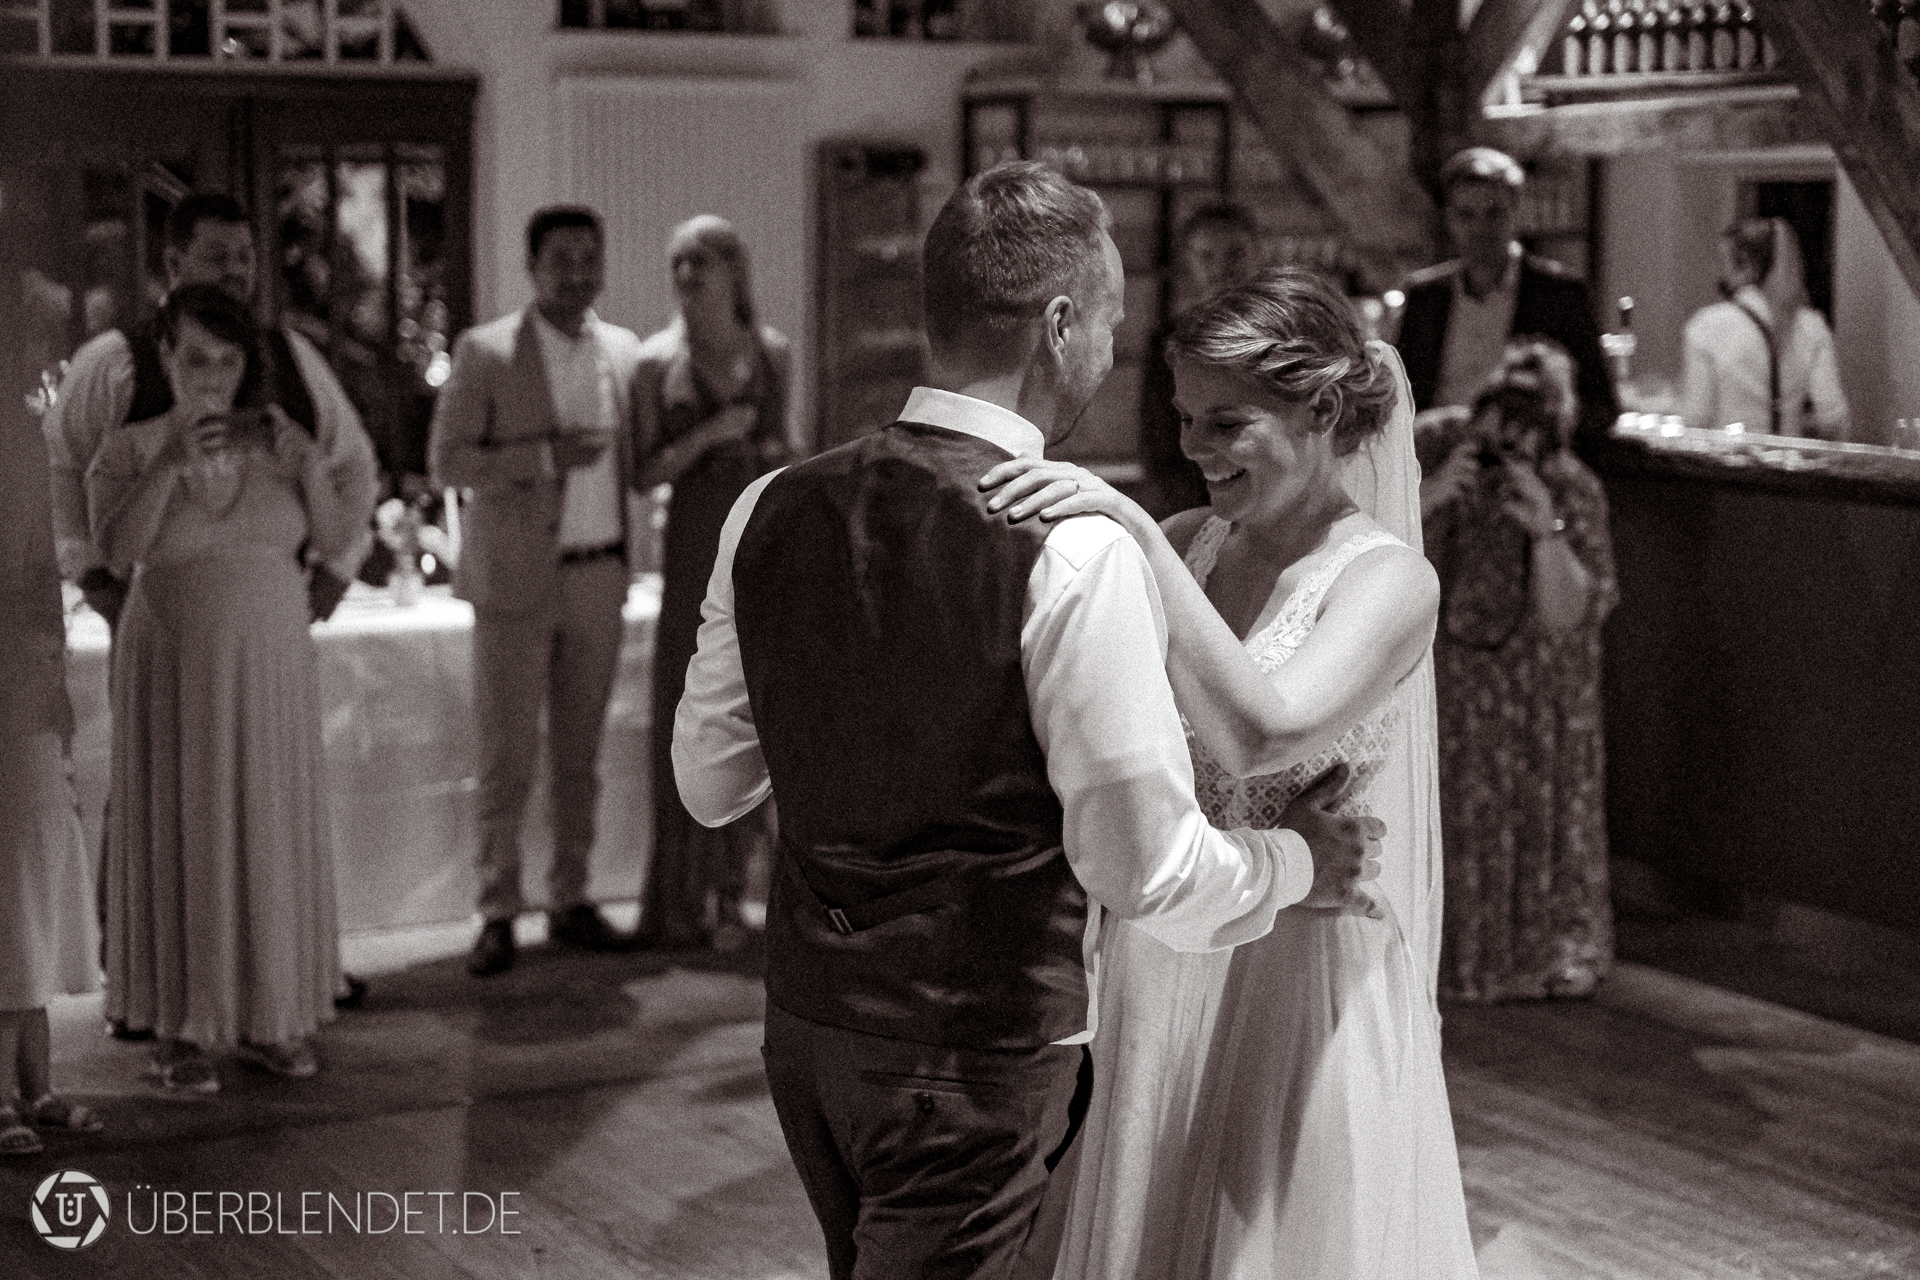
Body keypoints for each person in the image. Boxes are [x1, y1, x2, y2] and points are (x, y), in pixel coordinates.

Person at [672, 163, 1382, 1280]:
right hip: (977, 1046)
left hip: (808, 1024)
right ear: (1058, 325)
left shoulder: (769, 504)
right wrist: (1297, 862)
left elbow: (711, 784)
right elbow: (1145, 873)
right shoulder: (1074, 549)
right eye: (1107, 320)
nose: (1109, 349)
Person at [982, 267, 1479, 1279]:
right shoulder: (1184, 545)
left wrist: (1128, 530)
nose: (1194, 448)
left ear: (1323, 412)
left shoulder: (1389, 580)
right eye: (1184, 419)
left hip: (1303, 974)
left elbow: (1264, 732)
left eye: (1226, 422)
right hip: (1172, 945)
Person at [88, 285, 362, 1091]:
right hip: (173, 656)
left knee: (267, 819)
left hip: (271, 656)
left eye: (228, 360)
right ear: (165, 357)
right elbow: (116, 550)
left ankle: (271, 1014)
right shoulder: (129, 446)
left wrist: (307, 465)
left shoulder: (278, 441)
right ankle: (178, 1027)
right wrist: (170, 461)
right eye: (195, 359)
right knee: (183, 822)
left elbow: (338, 538)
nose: (212, 377)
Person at [428, 205, 646, 978]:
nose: (578, 274)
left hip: (599, 573)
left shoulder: (624, 351)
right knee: (507, 756)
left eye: (590, 258)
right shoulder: (486, 351)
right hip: (515, 581)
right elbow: (447, 462)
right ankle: (497, 909)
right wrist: (546, 458)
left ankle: (571, 896)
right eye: (562, 260)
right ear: (532, 267)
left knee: (581, 756)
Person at [42, 192, 379, 631]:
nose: (236, 270)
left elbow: (355, 467)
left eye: (245, 256)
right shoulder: (112, 362)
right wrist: (95, 580)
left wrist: (335, 573)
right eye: (219, 257)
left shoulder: (291, 354)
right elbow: (60, 469)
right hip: (158, 617)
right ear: (174, 264)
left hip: (272, 618)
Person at [1418, 339, 1618, 1002]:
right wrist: (1430, 496)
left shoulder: (1571, 489)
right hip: (1455, 691)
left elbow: (1568, 614)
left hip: (1538, 701)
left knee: (1538, 819)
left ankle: (1536, 954)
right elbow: (1363, 556)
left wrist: (1545, 527)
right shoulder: (1434, 457)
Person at [633, 214, 791, 951]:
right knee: (690, 708)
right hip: (693, 547)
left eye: (702, 260)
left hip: (759, 544)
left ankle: (736, 891)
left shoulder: (773, 353)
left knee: (753, 710)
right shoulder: (654, 362)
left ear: (735, 270)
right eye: (679, 262)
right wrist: (708, 436)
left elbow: (787, 449)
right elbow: (642, 472)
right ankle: (681, 898)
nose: (688, 275)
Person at [2, 307, 104, 1154]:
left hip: (25, 672)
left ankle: (35, 1081)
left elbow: (41, 564)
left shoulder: (24, 434)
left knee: (31, 863)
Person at [1395, 147, 1619, 450]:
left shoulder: (1559, 293)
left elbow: (1602, 406)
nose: (1480, 228)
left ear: (1517, 212)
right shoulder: (1425, 297)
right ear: (1448, 219)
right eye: (1466, 215)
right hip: (1433, 457)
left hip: (1521, 458)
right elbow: (1396, 400)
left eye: (1494, 213)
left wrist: (1541, 431)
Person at [1137, 201, 1263, 518]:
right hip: (1193, 505)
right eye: (1206, 256)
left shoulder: (1279, 337)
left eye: (1235, 254)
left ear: (1257, 255)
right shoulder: (1167, 342)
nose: (1221, 269)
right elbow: (1159, 442)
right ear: (1188, 262)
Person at [1682, 216, 1848, 439]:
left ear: (1746, 265)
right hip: (1788, 457)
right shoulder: (1811, 326)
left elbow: (1697, 418)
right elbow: (1832, 419)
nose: (1717, 270)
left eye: (1722, 261)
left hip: (1727, 457)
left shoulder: (1706, 326)